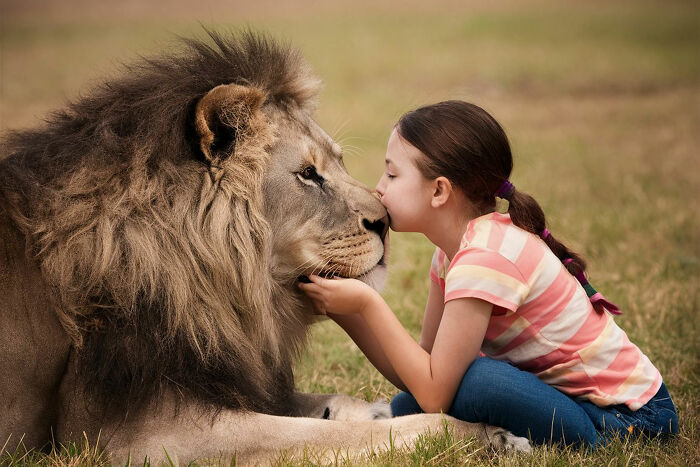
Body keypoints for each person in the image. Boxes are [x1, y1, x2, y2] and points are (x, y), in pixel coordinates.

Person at [298, 100, 678, 447]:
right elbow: (421, 371)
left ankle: (593, 441)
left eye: (392, 176)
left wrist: (367, 304)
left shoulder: (483, 258)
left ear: (439, 192)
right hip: (571, 401)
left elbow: (435, 395)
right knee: (411, 400)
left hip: (632, 420)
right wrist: (345, 312)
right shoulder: (453, 253)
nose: (378, 190)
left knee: (479, 382)